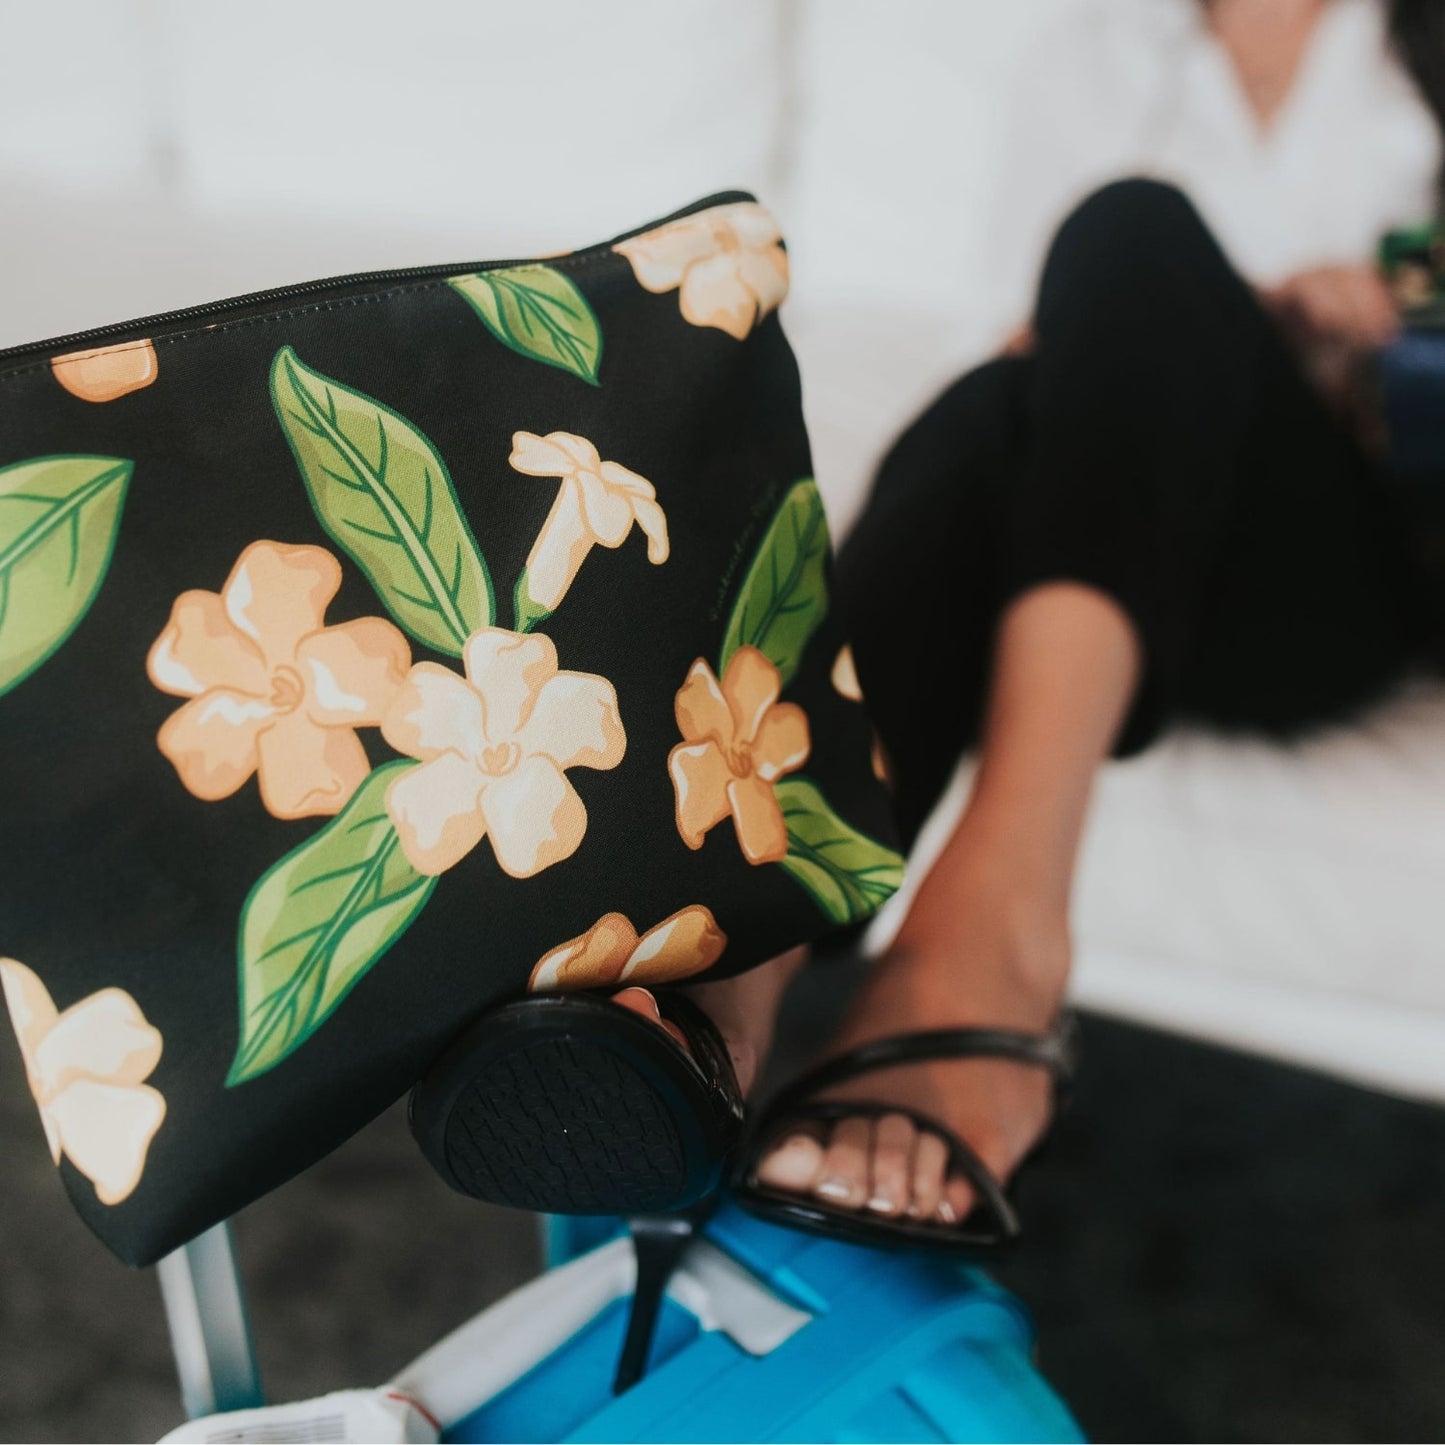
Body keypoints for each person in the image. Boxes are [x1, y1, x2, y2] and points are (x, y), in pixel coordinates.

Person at [609, 0, 1445, 1242]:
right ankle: (755, 965)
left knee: (1130, 226)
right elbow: (1006, 323)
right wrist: (1145, 342)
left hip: (1348, 549)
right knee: (1045, 342)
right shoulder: (1098, 46)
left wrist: (1391, 298)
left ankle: (940, 922)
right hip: (1120, 515)